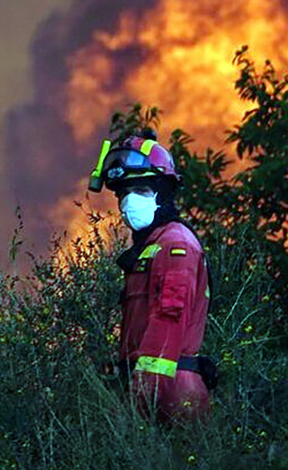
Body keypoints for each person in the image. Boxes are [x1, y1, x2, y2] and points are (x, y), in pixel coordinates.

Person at [88, 130, 213, 422]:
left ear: (163, 192)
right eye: (123, 194)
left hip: (171, 396)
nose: (129, 202)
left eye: (141, 191)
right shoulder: (151, 246)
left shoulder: (175, 245)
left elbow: (168, 320)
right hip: (154, 390)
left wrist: (141, 396)